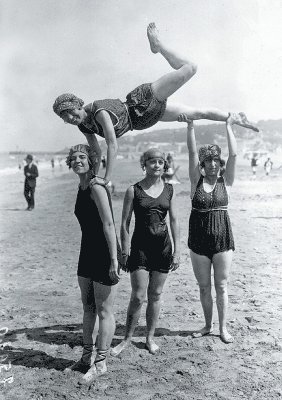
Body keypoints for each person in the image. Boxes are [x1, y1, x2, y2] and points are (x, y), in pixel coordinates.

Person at [53, 23, 259, 187]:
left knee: (191, 68)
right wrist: (93, 177)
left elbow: (112, 144)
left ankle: (159, 46)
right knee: (197, 113)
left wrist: (106, 178)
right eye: (66, 117)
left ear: (79, 105)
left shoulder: (98, 111)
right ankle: (234, 117)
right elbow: (96, 152)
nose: (71, 118)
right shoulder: (83, 125)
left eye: (71, 112)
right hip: (144, 121)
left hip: (141, 103)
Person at [111, 148, 180, 356]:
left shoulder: (169, 189)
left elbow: (175, 221)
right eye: (152, 162)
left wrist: (177, 251)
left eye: (160, 162)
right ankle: (126, 339)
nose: (157, 165)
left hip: (163, 248)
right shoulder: (134, 190)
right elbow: (124, 224)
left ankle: (149, 338)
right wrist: (124, 251)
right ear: (145, 164)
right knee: (138, 296)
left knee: (156, 294)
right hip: (140, 248)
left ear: (164, 165)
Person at [64, 144, 122, 385]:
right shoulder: (81, 186)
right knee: (88, 307)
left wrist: (114, 260)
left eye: (82, 157)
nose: (78, 161)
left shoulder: (97, 186)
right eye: (74, 158)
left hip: (104, 252)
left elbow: (109, 225)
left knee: (104, 309)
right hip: (86, 251)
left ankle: (101, 363)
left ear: (91, 161)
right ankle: (86, 357)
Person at [181, 113, 237, 344]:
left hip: (223, 240)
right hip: (198, 241)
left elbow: (234, 154)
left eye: (216, 160)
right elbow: (192, 152)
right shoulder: (195, 183)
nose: (212, 164)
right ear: (202, 166)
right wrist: (190, 126)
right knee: (204, 287)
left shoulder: (227, 181)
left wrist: (228, 126)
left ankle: (222, 328)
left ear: (220, 164)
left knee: (221, 286)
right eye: (208, 161)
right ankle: (207, 325)